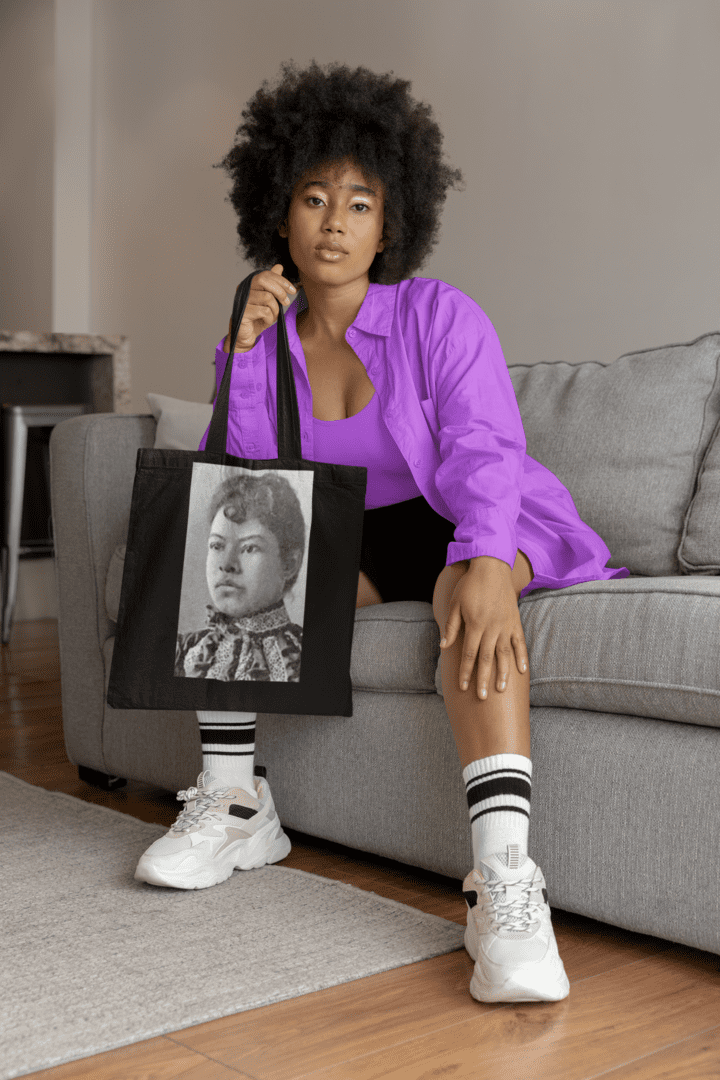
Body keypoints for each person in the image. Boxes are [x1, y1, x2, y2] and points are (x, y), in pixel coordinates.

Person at [136, 61, 629, 1003]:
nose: (334, 220)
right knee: (225, 546)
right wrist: (241, 355)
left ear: (390, 224)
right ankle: (238, 802)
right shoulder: (264, 340)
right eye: (314, 198)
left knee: (470, 606)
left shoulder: (441, 316)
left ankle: (505, 884)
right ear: (277, 215)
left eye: (359, 204)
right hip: (351, 532)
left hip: (466, 516)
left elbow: (486, 447)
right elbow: (243, 485)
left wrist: (488, 559)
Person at [175, 472, 305, 682]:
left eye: (249, 548)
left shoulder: (307, 656)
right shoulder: (183, 652)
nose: (226, 564)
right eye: (217, 545)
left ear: (289, 563)